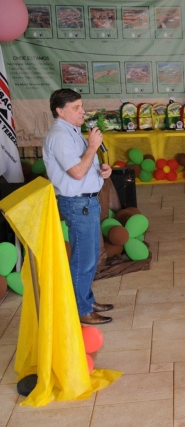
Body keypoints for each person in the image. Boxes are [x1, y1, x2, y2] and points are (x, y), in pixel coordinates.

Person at [43, 89, 115, 325]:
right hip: (77, 203)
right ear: (60, 111)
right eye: (76, 107)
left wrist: (102, 172)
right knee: (83, 260)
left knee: (91, 257)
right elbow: (76, 172)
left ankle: (86, 299)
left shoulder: (72, 131)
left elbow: (84, 167)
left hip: (87, 201)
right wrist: (93, 146)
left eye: (81, 106)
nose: (82, 111)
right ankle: (81, 310)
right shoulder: (60, 135)